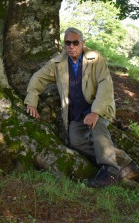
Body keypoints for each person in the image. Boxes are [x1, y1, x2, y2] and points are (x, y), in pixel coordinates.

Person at [24, 27, 138, 187]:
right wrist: (31, 101)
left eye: (75, 42)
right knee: (76, 141)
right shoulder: (57, 63)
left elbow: (105, 84)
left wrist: (95, 112)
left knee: (98, 130)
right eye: (67, 43)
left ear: (82, 43)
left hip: (99, 106)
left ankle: (111, 172)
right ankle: (127, 164)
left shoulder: (95, 58)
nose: (71, 46)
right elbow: (38, 78)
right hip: (76, 112)